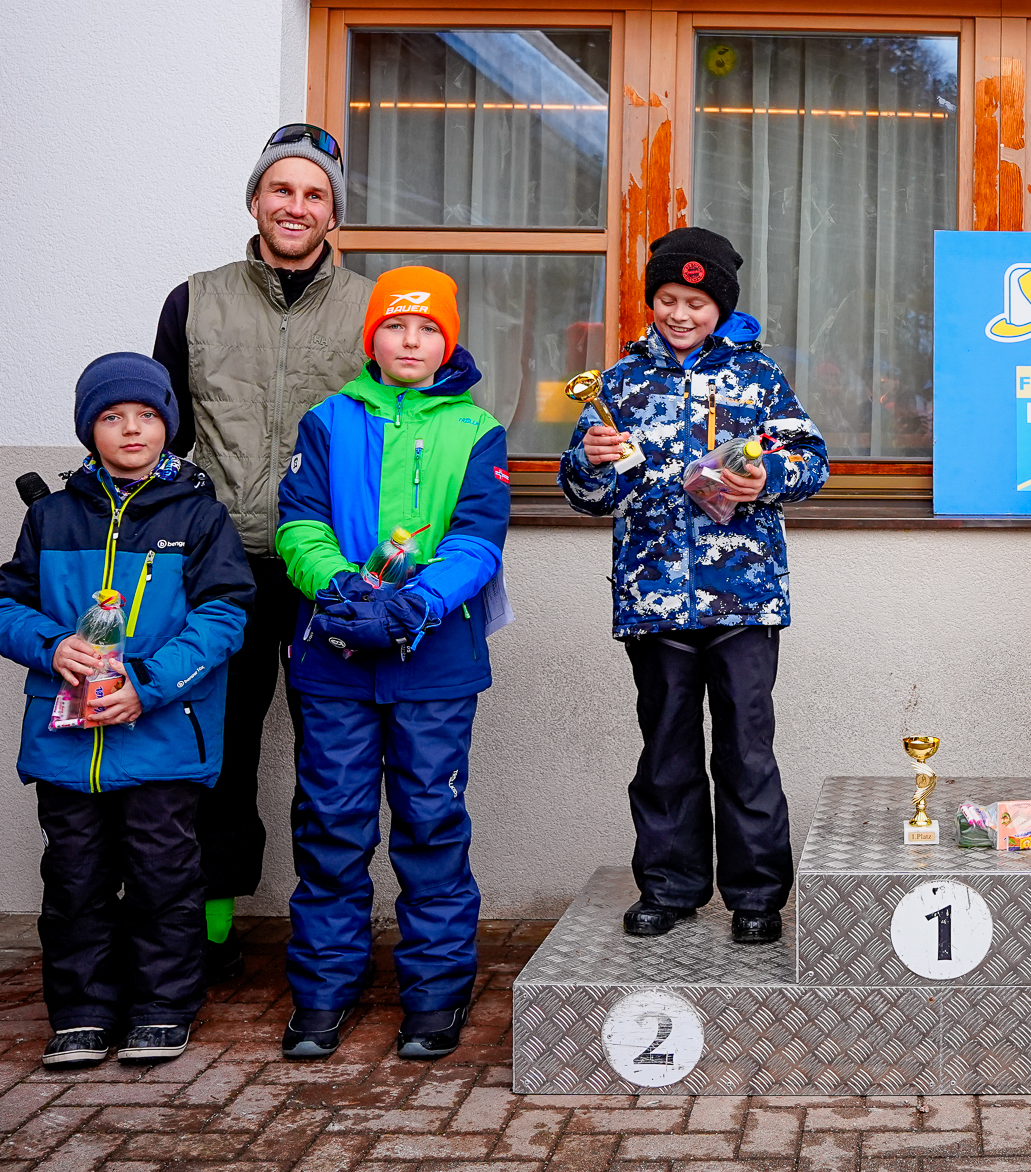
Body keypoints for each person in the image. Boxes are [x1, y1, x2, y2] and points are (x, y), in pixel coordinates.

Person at [0, 354, 254, 1069]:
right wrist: (52, 646)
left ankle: (162, 1007)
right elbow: (2, 610)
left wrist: (148, 683)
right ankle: (81, 1012)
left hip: (161, 741)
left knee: (165, 879)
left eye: (147, 415)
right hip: (67, 750)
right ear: (89, 429)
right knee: (75, 882)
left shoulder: (200, 517)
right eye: (112, 416)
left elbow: (224, 618)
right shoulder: (51, 516)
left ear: (167, 425)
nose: (132, 429)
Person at [559, 227, 829, 945]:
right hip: (654, 600)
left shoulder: (758, 375)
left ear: (721, 308)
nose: (680, 314)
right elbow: (585, 495)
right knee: (666, 752)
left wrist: (768, 477)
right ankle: (670, 887)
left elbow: (813, 460)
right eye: (668, 300)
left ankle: (757, 895)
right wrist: (590, 461)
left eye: (697, 303)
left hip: (743, 598)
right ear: (651, 301)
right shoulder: (619, 382)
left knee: (746, 751)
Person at [151, 123, 374, 981]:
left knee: (334, 753)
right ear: (254, 200)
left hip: (330, 568)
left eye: (315, 194)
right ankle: (211, 930)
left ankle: (332, 932)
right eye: (282, 188)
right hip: (221, 564)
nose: (296, 205)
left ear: (333, 215)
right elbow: (163, 432)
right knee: (218, 744)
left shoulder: (372, 308)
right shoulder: (194, 300)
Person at [274, 267, 510, 1061]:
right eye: (395, 326)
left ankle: (435, 993)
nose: (411, 341)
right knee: (331, 823)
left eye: (427, 328)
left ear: (449, 341)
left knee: (431, 822)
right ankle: (323, 990)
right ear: (371, 337)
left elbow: (478, 538)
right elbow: (298, 524)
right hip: (334, 661)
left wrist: (419, 604)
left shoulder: (476, 429)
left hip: (434, 662)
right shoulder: (327, 420)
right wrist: (337, 584)